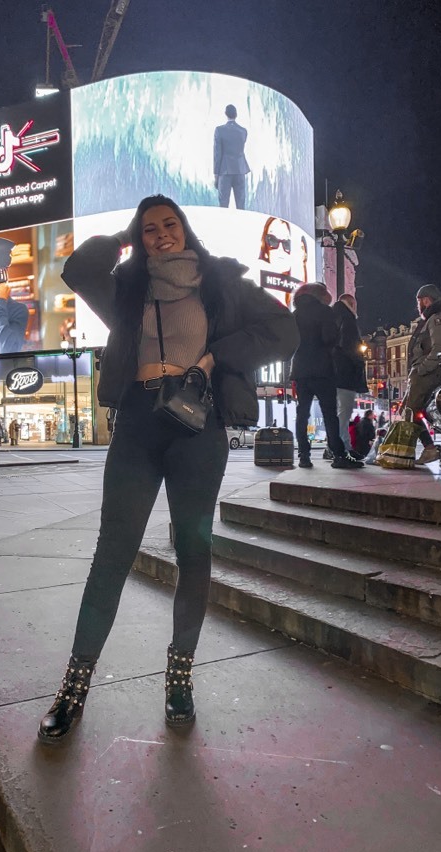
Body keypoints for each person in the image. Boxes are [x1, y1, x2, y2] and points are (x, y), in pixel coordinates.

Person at [37, 194, 298, 744]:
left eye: (169, 224)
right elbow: (78, 269)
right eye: (150, 228)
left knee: (194, 549)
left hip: (197, 427)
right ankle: (74, 685)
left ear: (185, 228)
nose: (162, 234)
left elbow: (283, 330)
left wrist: (217, 355)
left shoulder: (220, 285)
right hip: (137, 420)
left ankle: (180, 677)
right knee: (114, 550)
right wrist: (125, 240)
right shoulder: (127, 287)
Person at [290, 282, 364, 470]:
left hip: (300, 371)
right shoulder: (325, 312)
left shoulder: (294, 314)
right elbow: (329, 338)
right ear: (321, 295)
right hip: (323, 370)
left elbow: (288, 345)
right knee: (329, 414)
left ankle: (303, 456)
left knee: (302, 414)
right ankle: (338, 455)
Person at [403, 284, 441, 465]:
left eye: (419, 301)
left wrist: (422, 369)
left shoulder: (439, 317)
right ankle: (427, 448)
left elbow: (440, 349)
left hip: (430, 372)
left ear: (426, 299)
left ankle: (410, 452)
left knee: (411, 410)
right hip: (430, 371)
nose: (418, 306)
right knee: (413, 410)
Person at [326, 293, 368, 459]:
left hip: (330, 373)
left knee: (335, 412)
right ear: (352, 304)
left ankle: (332, 446)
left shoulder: (331, 317)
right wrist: (359, 363)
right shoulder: (348, 318)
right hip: (345, 374)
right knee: (344, 411)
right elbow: (350, 347)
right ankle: (342, 447)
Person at [213, 104, 250, 210]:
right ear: (236, 115)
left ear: (226, 114)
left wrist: (216, 175)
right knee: (241, 205)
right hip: (240, 170)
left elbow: (217, 154)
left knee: (223, 205)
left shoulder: (219, 130)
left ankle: (224, 225)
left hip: (225, 171)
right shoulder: (243, 131)